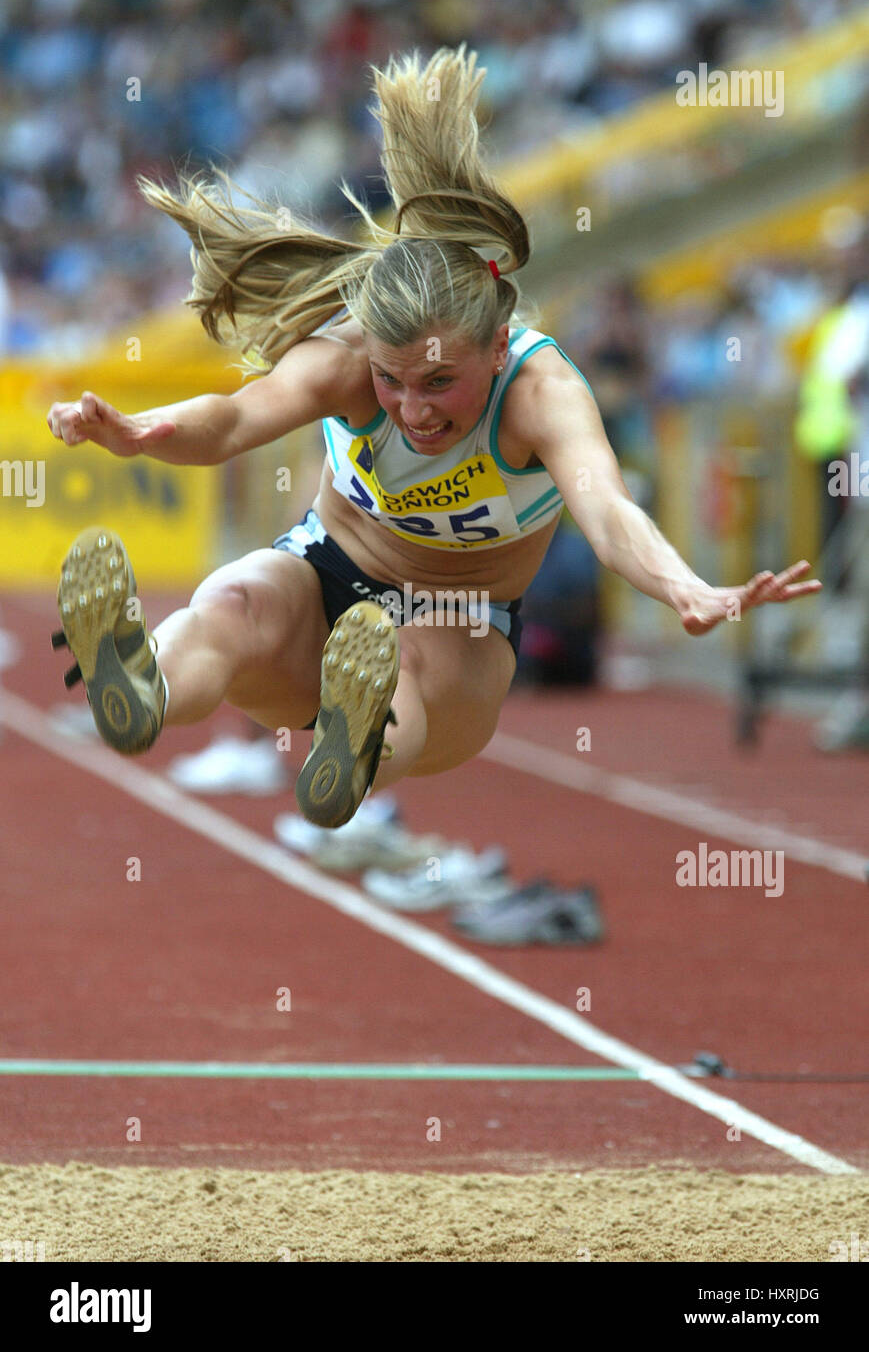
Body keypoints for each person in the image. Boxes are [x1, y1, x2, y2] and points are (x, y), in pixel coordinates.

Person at [47, 46, 822, 827]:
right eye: (394, 381)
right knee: (236, 599)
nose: (412, 409)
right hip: (325, 573)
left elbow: (608, 509)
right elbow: (236, 418)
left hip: (462, 619)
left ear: (495, 347)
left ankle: (355, 755)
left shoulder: (540, 393)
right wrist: (144, 431)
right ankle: (146, 689)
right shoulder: (348, 358)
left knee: (406, 660)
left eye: (440, 382)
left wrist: (682, 584)